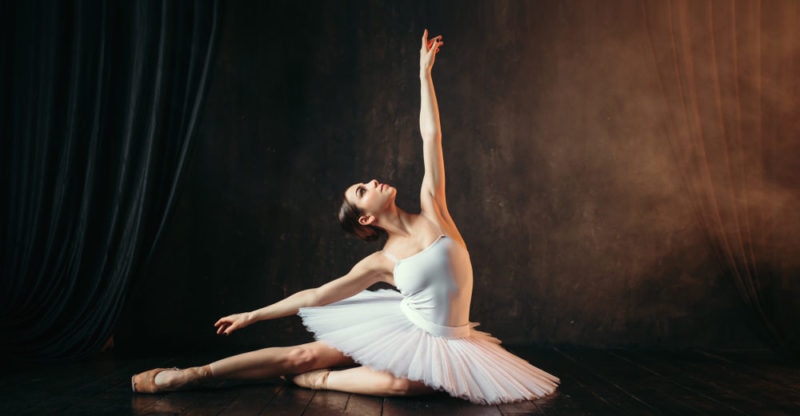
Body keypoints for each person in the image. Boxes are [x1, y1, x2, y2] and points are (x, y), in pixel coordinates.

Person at [131, 29, 559, 405]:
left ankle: (320, 381)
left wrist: (424, 75)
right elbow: (317, 295)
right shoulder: (382, 262)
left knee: (405, 386)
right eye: (362, 190)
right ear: (366, 219)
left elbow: (431, 135)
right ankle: (191, 377)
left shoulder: (435, 209)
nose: (372, 182)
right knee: (304, 354)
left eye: (367, 183)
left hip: (446, 340)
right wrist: (253, 315)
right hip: (401, 327)